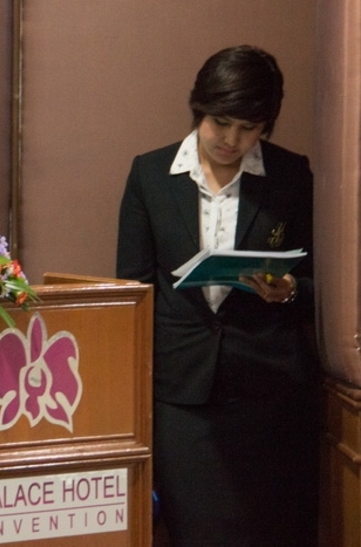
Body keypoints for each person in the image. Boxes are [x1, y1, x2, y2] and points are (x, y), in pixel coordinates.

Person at [116, 46, 319, 545]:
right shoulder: (150, 175)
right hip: (182, 392)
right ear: (199, 108)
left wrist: (290, 289)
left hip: (270, 388)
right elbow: (134, 290)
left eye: (249, 128)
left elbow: (322, 284)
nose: (231, 140)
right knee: (198, 530)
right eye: (220, 123)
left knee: (272, 532)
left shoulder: (291, 175)